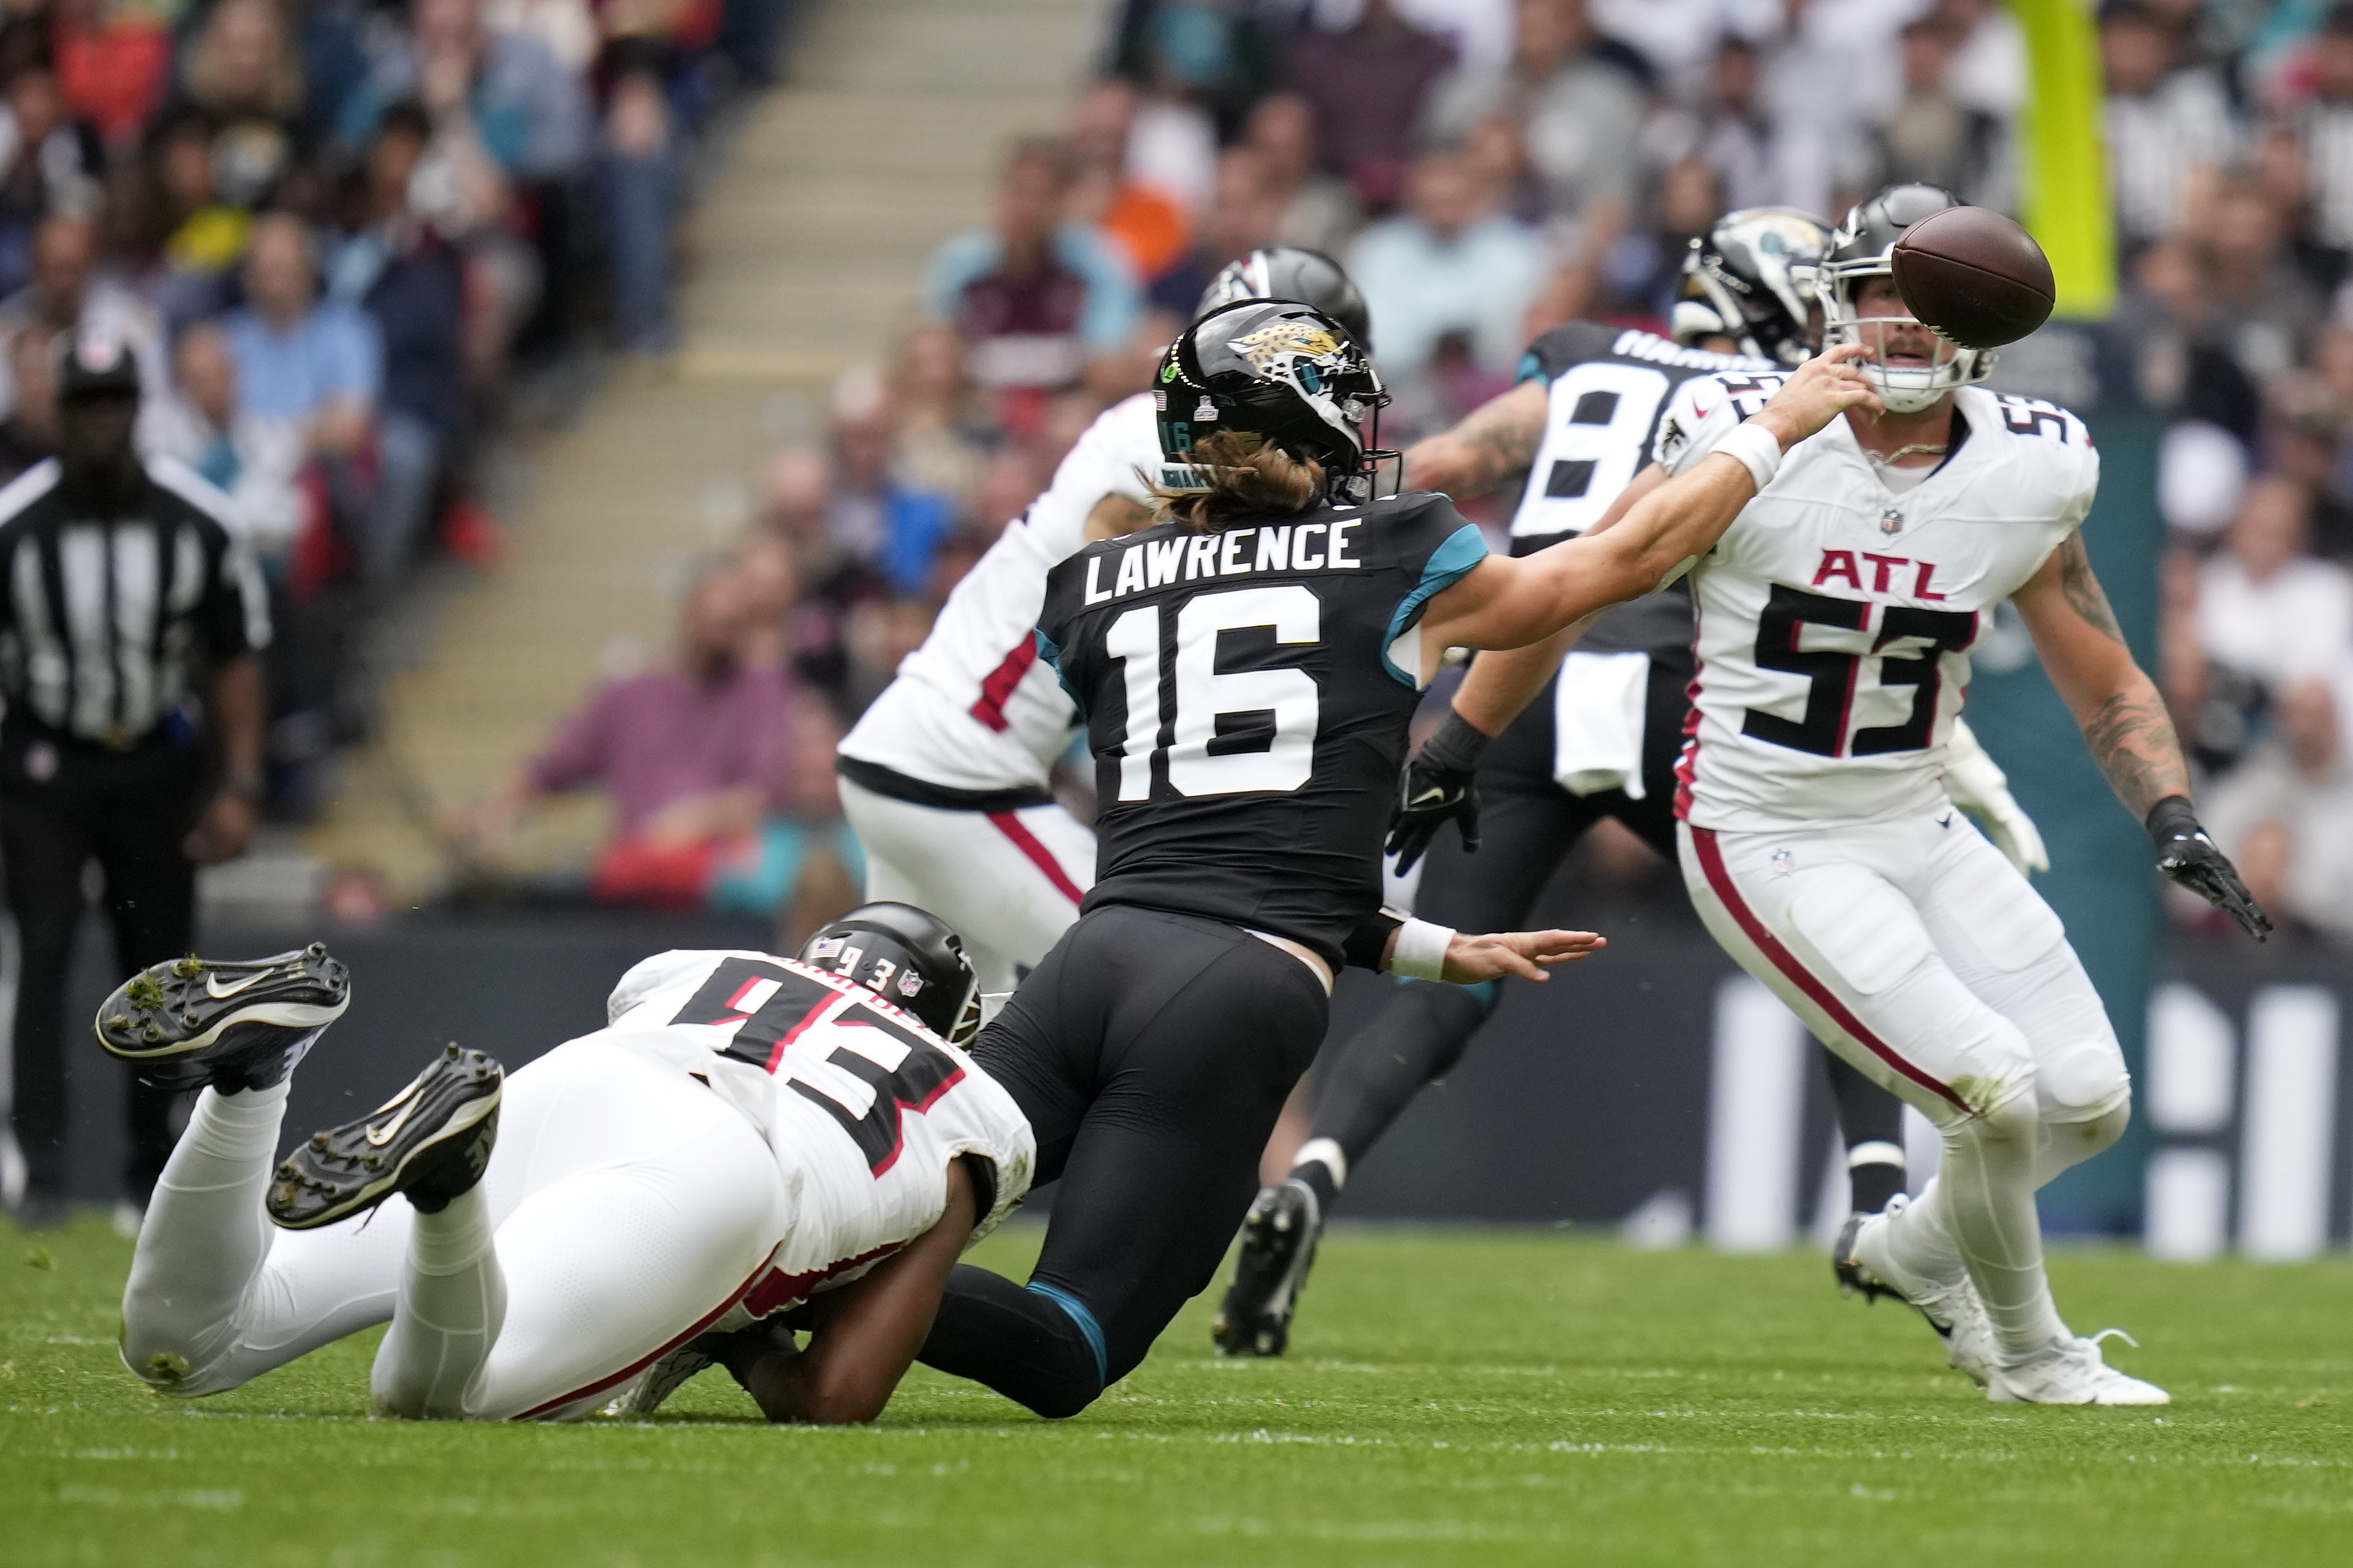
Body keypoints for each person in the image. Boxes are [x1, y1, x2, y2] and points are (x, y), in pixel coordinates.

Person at [911, 296, 1881, 1419]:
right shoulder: (1391, 552)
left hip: (1088, 960)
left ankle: (767, 1287)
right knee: (1071, 1344)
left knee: (884, 1223)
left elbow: (1217, 830)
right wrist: (1773, 426)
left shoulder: (1091, 581)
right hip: (1229, 990)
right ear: (1306, 422)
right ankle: (783, 1296)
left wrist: (1426, 947)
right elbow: (1618, 563)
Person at [1213, 207, 2053, 1357]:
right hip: (1674, 669)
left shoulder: (1587, 357)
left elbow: (1450, 465)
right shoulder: (1808, 399)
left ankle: (1313, 1170)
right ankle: (1869, 1200)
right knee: (1834, 931)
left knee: (1453, 969)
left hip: (1522, 667)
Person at [1663, 186, 2260, 1401]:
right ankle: (2032, 1355)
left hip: (1914, 816)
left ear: (1974, 322)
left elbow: (2101, 671)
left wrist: (2169, 810)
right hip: (1768, 828)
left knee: (2087, 1099)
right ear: (1837, 304)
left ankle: (1902, 1246)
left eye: (1925, 296)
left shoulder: (2032, 465)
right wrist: (1462, 730)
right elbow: (1608, 563)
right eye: (1876, 293)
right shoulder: (1739, 427)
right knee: (1989, 1086)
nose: (1897, 323)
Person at [101, 903, 1035, 1422]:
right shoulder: (968, 1114)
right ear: (952, 1027)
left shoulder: (711, 968)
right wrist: (747, 1345)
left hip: (579, 1083)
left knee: (187, 1349)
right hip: (720, 1170)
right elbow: (838, 1395)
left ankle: (253, 1079)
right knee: (439, 1398)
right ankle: (446, 1186)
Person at [836, 247, 1370, 1000]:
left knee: (943, 1053)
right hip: (955, 773)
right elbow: (1116, 531)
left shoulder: (1169, 431)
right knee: (1167, 976)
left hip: (926, 757)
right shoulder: (1161, 436)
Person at [0, 331, 269, 1227]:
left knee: (159, 969)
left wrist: (238, 784)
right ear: (60, 412)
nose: (102, 422)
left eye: (116, 402)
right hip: (43, 759)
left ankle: (148, 1173)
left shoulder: (197, 521)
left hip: (156, 758)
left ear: (137, 408)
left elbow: (235, 660)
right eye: (86, 404)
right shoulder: (17, 525)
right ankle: (34, 1171)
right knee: (40, 954)